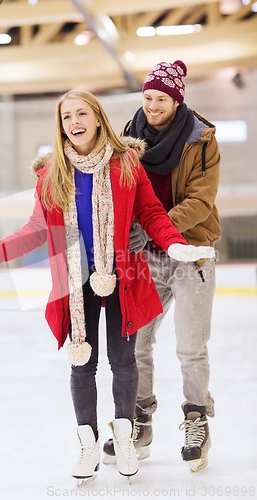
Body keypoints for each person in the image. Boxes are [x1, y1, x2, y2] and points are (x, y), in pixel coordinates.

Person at [0, 89, 215, 482]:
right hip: (75, 282)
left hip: (123, 274)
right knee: (82, 363)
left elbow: (152, 213)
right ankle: (87, 446)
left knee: (124, 362)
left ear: (97, 118)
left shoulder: (126, 164)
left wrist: (175, 245)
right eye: (66, 117)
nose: (73, 123)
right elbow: (36, 230)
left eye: (81, 114)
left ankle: (125, 440)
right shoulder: (52, 173)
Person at [102, 60, 221, 473]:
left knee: (190, 347)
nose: (153, 106)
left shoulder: (201, 139)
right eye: (148, 97)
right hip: (145, 257)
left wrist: (156, 228)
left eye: (161, 99)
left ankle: (196, 418)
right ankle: (140, 419)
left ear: (177, 100)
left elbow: (201, 201)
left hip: (192, 249)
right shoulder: (126, 138)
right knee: (136, 342)